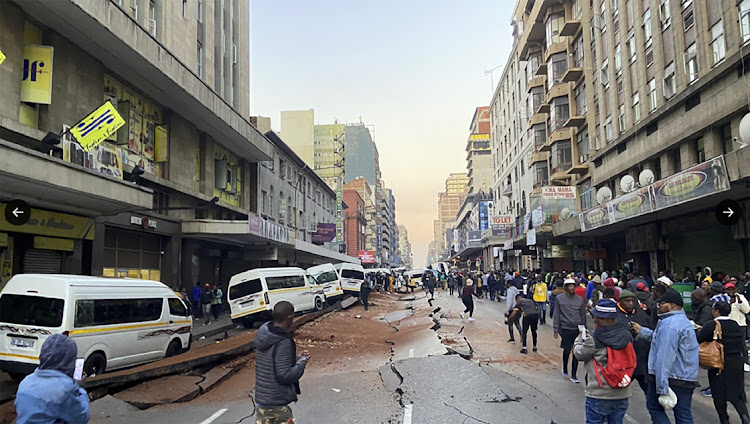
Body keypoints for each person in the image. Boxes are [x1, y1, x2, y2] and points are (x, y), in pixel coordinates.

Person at [632, 289, 699, 424]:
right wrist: (642, 331)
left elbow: (664, 357)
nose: (659, 307)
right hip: (686, 377)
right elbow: (659, 340)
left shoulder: (669, 325)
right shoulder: (682, 321)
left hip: (671, 377)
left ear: (673, 305)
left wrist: (661, 386)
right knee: (683, 415)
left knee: (654, 408)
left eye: (661, 304)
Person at [574, 299, 634, 424]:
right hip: (622, 392)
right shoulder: (627, 335)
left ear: (599, 318)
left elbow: (579, 354)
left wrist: (579, 339)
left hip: (599, 393)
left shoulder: (594, 338)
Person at [253, 301, 309, 423]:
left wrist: (294, 358)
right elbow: (284, 375)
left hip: (261, 402)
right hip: (276, 405)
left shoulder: (265, 334)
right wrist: (301, 363)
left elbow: (272, 361)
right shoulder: (283, 340)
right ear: (289, 317)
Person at [15, 334, 89, 424]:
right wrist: (80, 389)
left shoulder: (26, 382)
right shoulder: (66, 389)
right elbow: (81, 418)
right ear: (68, 360)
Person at [697, 301, 750, 424]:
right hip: (736, 362)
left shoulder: (712, 325)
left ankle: (724, 420)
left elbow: (700, 339)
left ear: (716, 311)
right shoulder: (735, 324)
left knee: (719, 393)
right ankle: (745, 417)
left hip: (718, 362)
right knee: (737, 393)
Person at [616, 290, 651, 395]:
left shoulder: (641, 313)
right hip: (625, 362)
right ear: (620, 301)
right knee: (619, 392)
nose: (630, 304)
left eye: (632, 301)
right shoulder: (614, 315)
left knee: (650, 393)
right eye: (627, 301)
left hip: (642, 361)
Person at [554, 278, 587, 384]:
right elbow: (556, 314)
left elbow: (582, 316)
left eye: (573, 286)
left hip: (577, 328)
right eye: (569, 286)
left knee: (576, 352)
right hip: (565, 328)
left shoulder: (579, 300)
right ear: (565, 288)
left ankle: (574, 374)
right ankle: (564, 367)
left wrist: (584, 329)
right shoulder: (559, 299)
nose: (572, 288)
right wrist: (555, 328)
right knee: (567, 350)